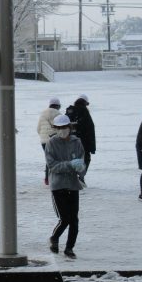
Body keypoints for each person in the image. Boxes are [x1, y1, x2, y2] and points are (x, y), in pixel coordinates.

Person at [45, 114, 85, 259]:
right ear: (55, 128)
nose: (62, 130)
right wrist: (70, 165)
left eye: (65, 127)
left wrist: (81, 168)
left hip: (73, 185)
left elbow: (81, 160)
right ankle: (54, 238)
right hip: (58, 185)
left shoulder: (76, 142)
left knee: (74, 219)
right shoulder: (51, 143)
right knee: (65, 218)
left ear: (70, 127)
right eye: (59, 128)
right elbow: (52, 166)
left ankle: (69, 248)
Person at [65, 94, 95, 184]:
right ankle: (80, 177)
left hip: (69, 141)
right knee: (85, 159)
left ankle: (70, 177)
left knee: (71, 158)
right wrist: (92, 147)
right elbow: (90, 129)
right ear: (85, 103)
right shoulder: (84, 111)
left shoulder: (69, 111)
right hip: (83, 141)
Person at [37, 97, 62, 185]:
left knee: (49, 159)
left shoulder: (43, 114)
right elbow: (61, 129)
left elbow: (38, 128)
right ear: (58, 105)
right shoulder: (58, 114)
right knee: (56, 159)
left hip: (44, 141)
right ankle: (54, 178)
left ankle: (47, 179)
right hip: (55, 140)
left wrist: (43, 137)